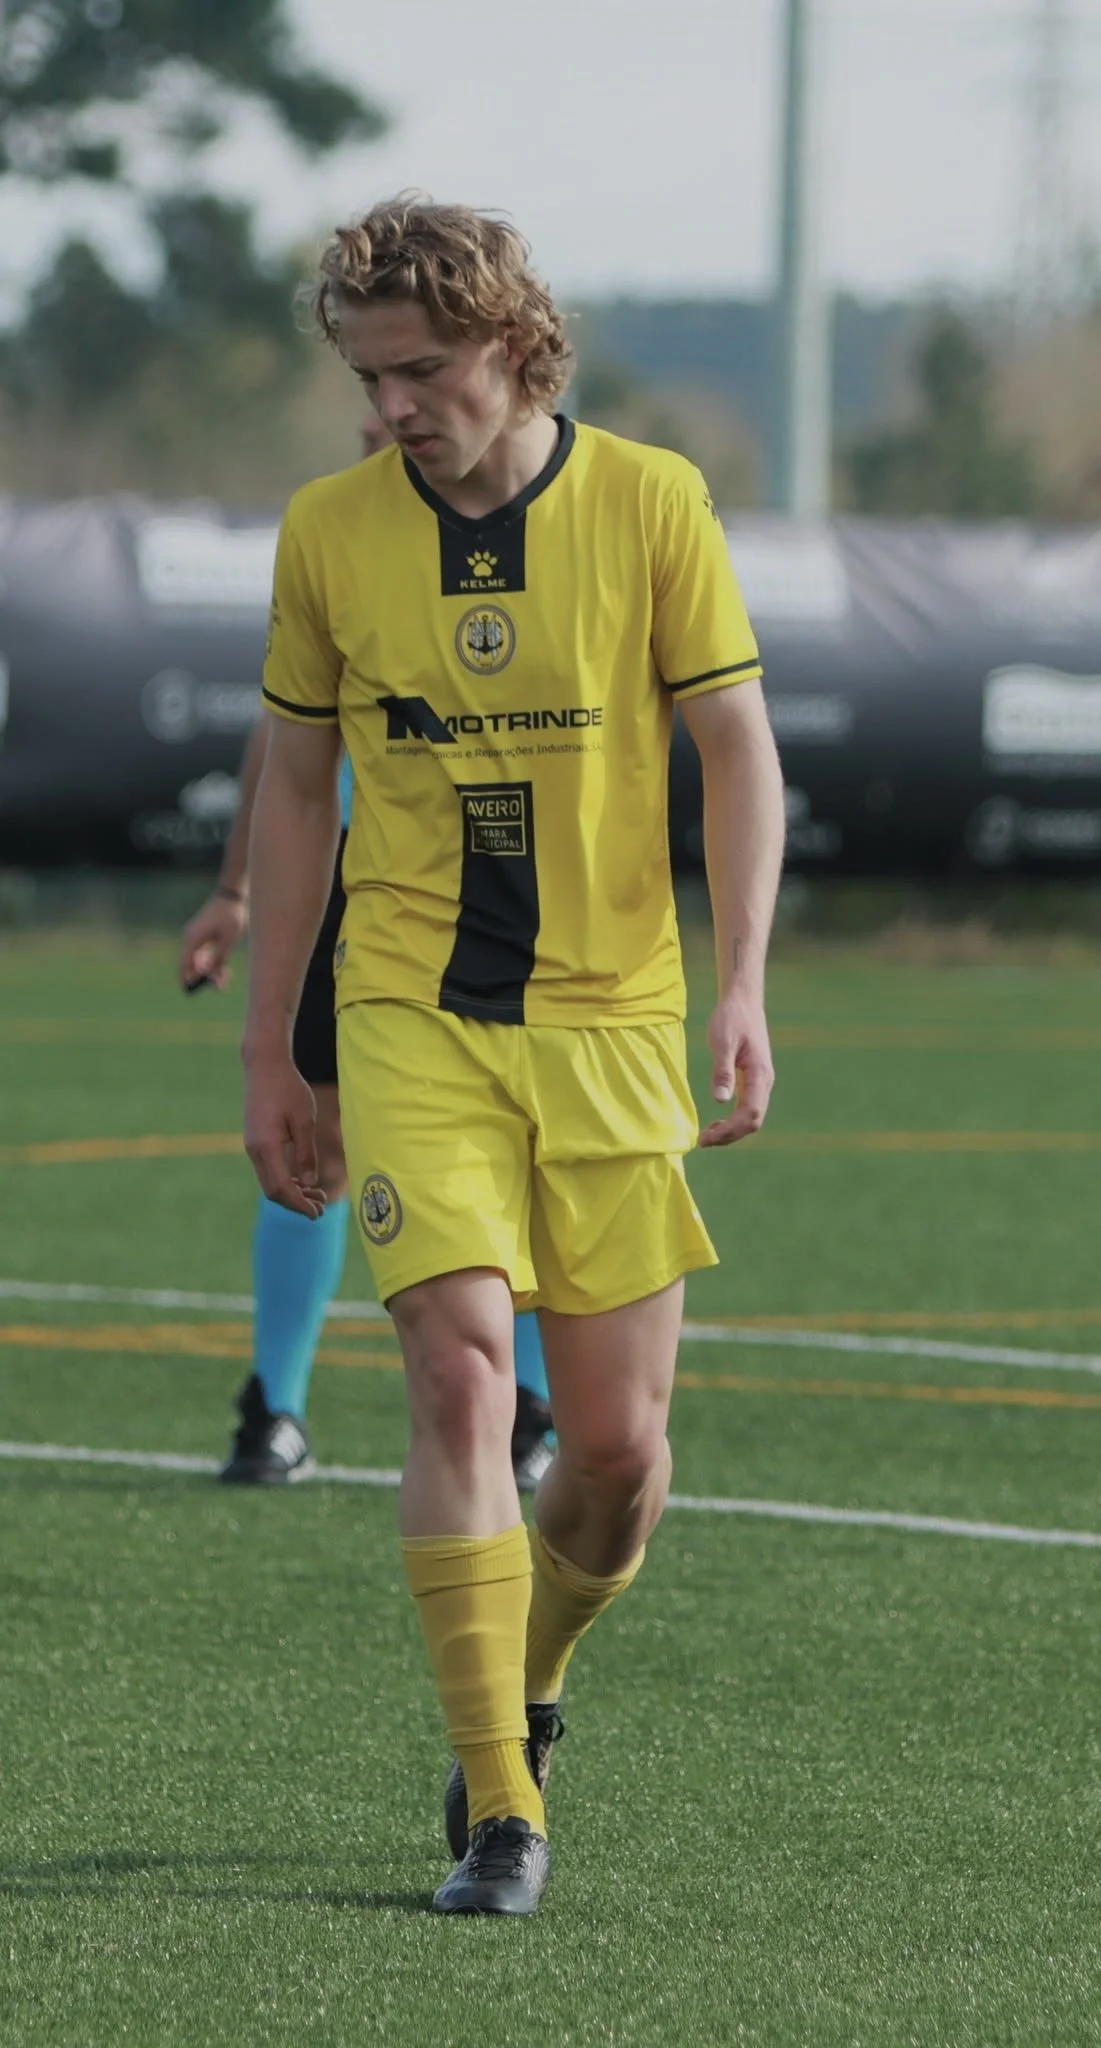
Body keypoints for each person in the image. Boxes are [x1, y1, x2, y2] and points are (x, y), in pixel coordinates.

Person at [243, 196, 785, 1918]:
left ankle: (530, 1690)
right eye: (368, 374)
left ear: (514, 343)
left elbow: (737, 751)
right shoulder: (328, 534)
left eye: (421, 370)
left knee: (618, 1458)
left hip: (614, 1018)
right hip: (415, 1011)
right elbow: (287, 786)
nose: (392, 405)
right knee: (466, 1368)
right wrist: (278, 1048)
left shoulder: (650, 502)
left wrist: (744, 981)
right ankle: (498, 1810)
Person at [178, 413, 554, 1488]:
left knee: (526, 1143)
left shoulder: (541, 544)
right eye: (380, 406)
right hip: (361, 891)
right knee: (315, 1146)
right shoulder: (343, 550)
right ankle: (277, 1405)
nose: (400, 426)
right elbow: (283, 737)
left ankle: (531, 1407)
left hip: (503, 890)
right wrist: (235, 889)